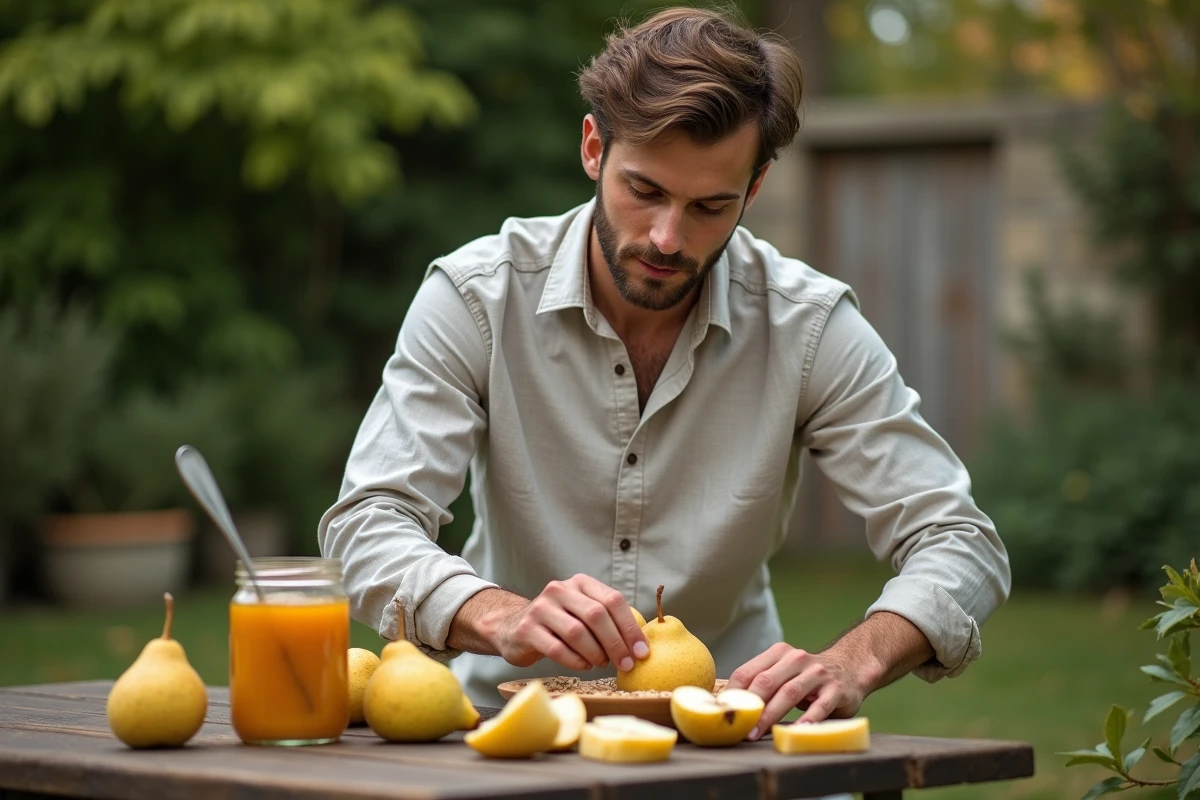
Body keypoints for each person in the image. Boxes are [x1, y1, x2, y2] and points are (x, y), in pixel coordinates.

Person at [318, 5, 1010, 739]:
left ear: (755, 187)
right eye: (644, 190)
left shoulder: (808, 327)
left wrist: (852, 660)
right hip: (505, 727)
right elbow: (369, 519)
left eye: (710, 206)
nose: (667, 238)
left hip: (733, 733)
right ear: (593, 148)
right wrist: (497, 615)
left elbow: (958, 540)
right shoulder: (475, 299)